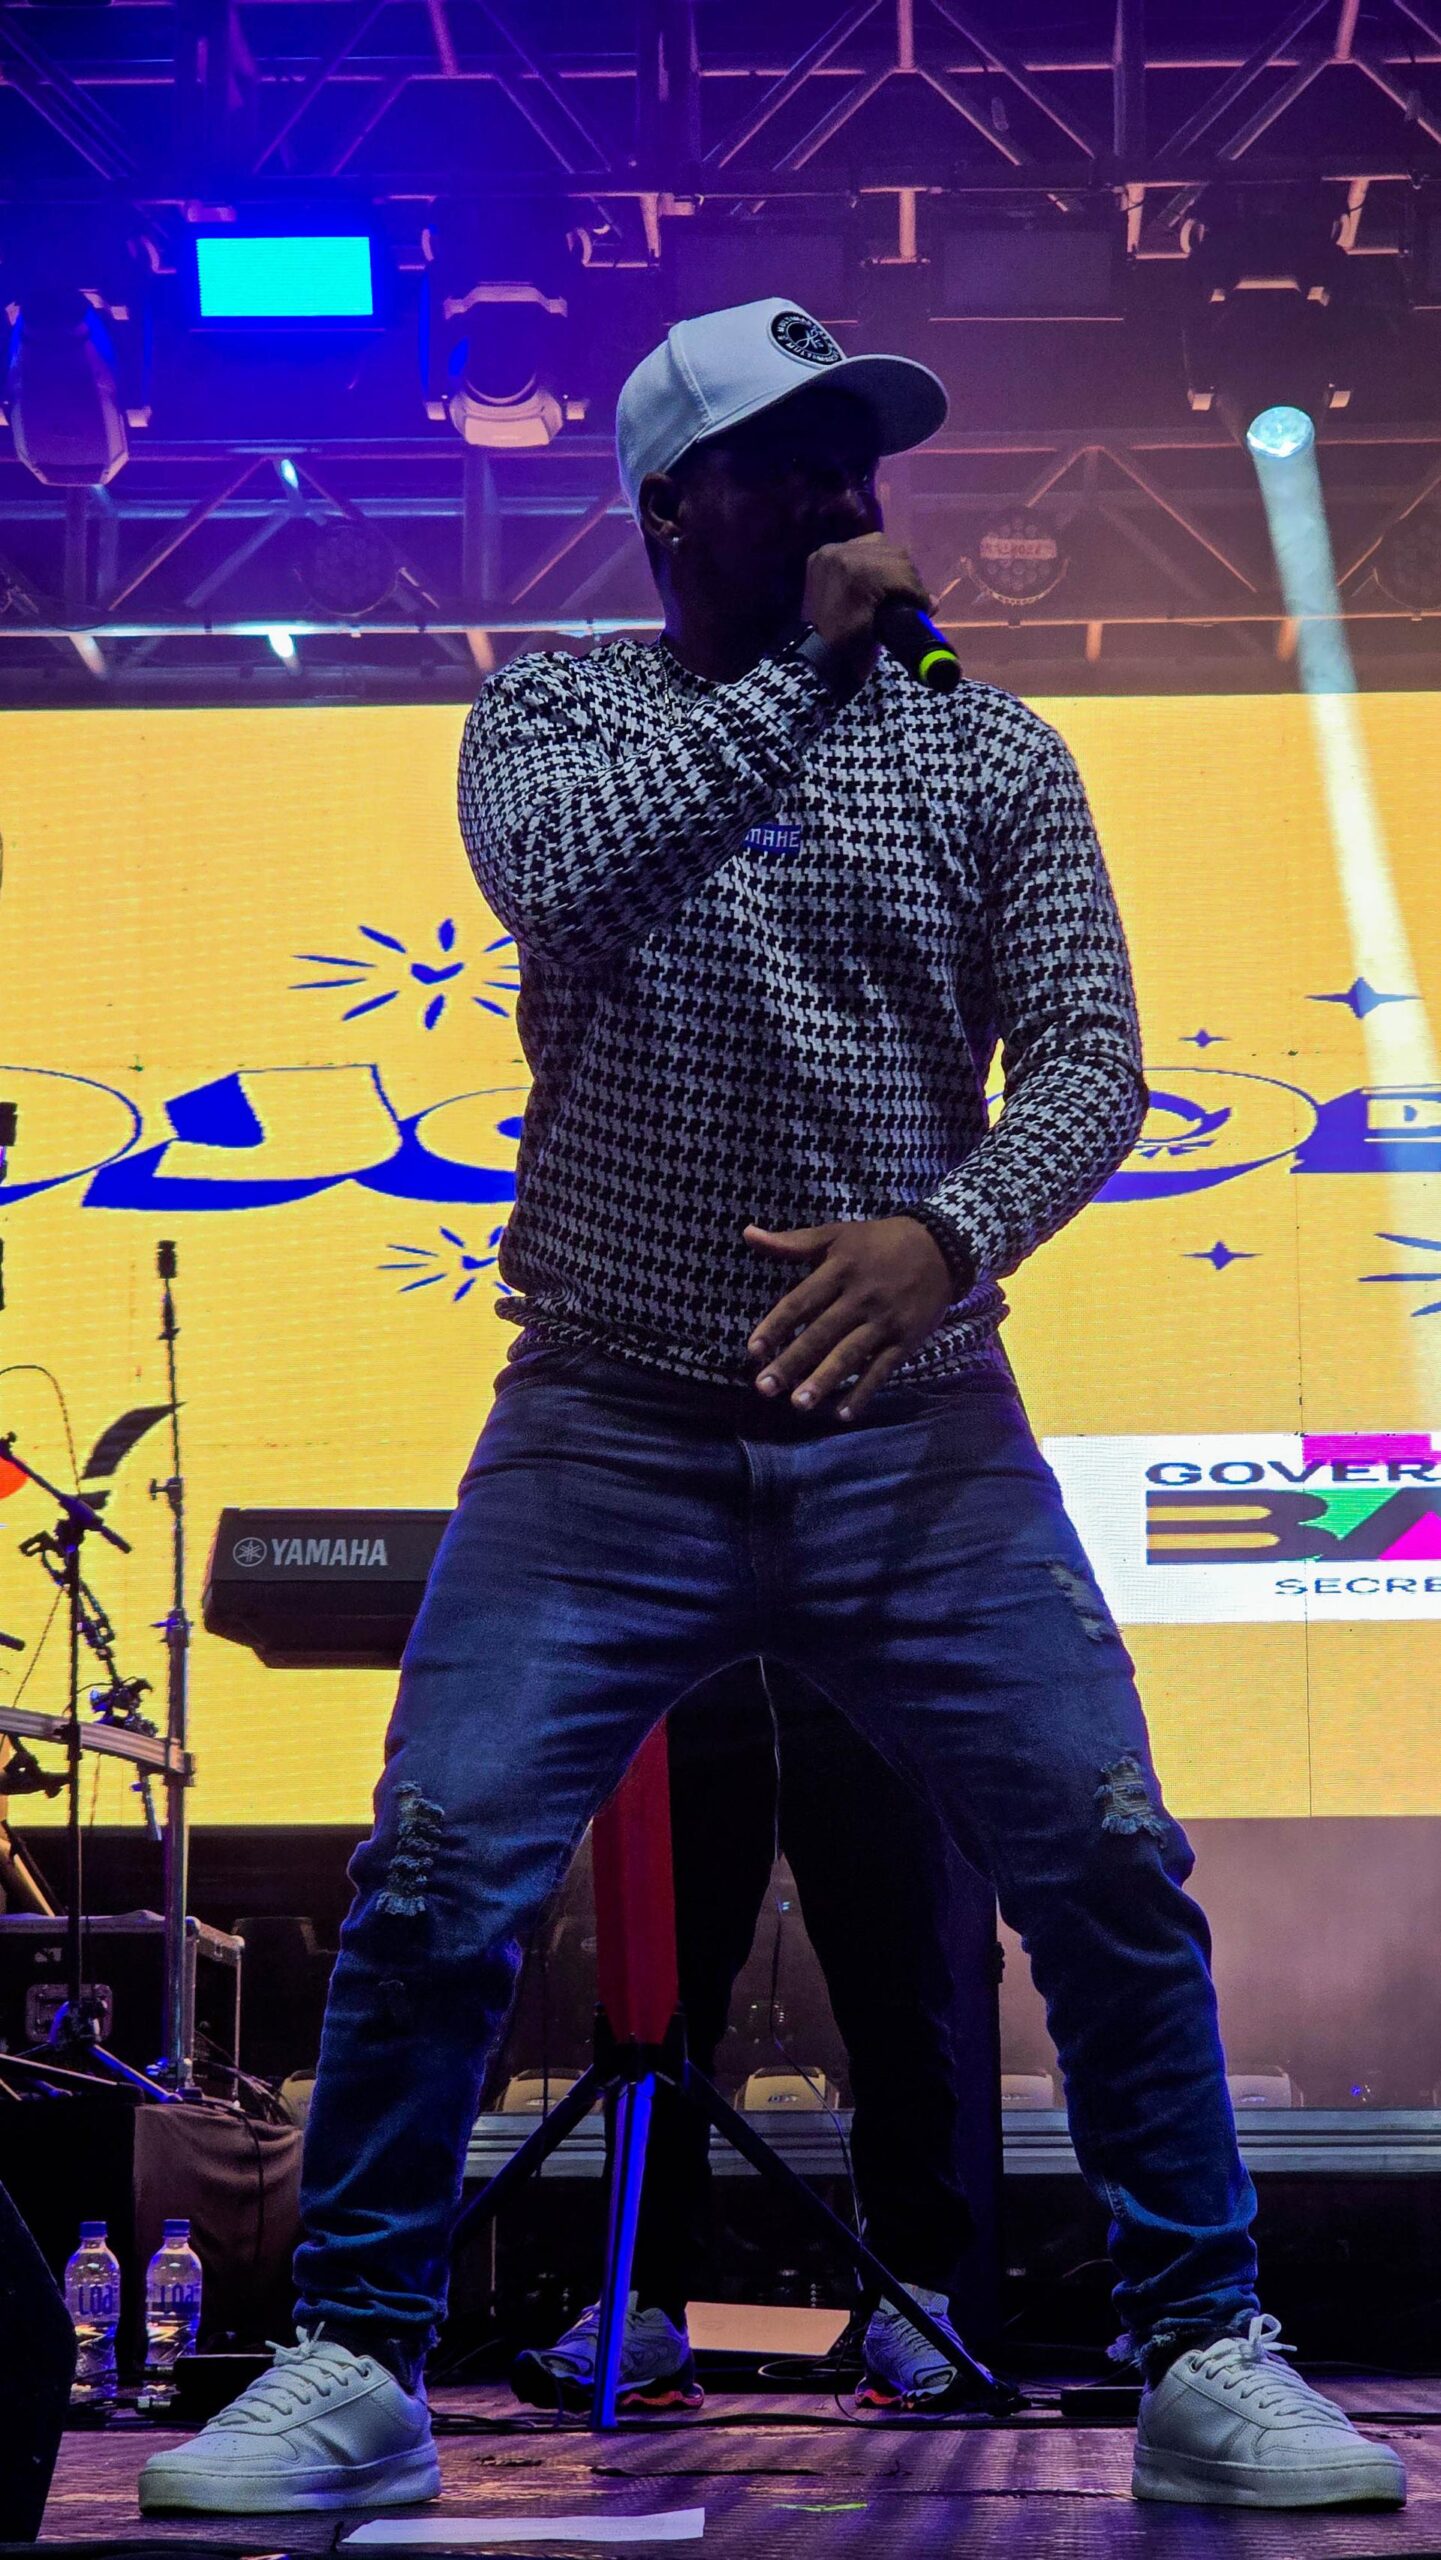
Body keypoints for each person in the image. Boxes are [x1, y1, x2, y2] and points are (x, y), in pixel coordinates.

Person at [140, 296, 1404, 2516]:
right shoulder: (556, 718)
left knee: (1111, 1861)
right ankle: (355, 2354)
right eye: (792, 462)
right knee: (432, 1875)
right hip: (605, 1427)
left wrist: (948, 1229)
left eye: (860, 457)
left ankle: (1208, 2342)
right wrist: (807, 681)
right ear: (670, 506)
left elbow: (1091, 1062)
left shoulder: (994, 753)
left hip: (917, 1432)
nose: (846, 496)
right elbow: (562, 875)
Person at [511, 1657, 993, 2414]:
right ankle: (643, 2309)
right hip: (694, 1689)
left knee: (901, 2015)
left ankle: (912, 2303)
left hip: (856, 1686)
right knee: (652, 2022)